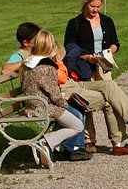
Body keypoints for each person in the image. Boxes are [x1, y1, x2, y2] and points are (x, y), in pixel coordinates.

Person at [65, 0, 128, 156]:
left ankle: (119, 141)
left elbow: (115, 43)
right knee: (86, 103)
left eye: (98, 7)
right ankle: (89, 141)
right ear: (86, 3)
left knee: (112, 102)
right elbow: (70, 48)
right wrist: (88, 57)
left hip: (103, 64)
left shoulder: (106, 21)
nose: (95, 10)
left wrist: (109, 51)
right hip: (84, 66)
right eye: (92, 6)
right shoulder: (75, 23)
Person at [20, 29, 91, 164]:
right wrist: (65, 103)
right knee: (78, 125)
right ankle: (46, 142)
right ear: (49, 47)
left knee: (74, 117)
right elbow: (54, 95)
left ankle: (52, 147)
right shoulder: (46, 66)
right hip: (45, 107)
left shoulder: (27, 63)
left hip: (31, 105)